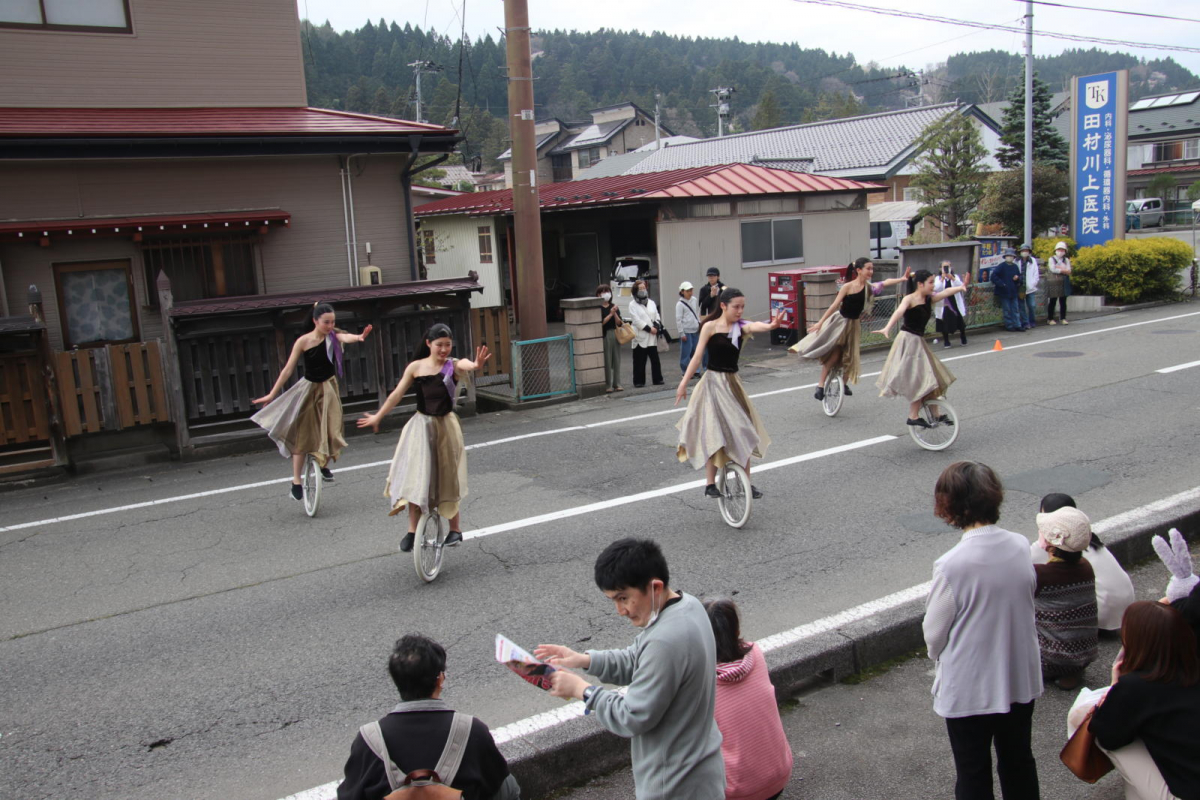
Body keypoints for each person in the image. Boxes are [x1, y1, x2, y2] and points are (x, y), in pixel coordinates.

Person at [535, 538, 725, 800]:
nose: (620, 611)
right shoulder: (688, 605)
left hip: (672, 783)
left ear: (654, 587)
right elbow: (638, 659)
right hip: (702, 770)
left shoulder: (665, 640)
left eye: (623, 598)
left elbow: (631, 717)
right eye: (613, 600)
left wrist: (583, 691)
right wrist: (583, 659)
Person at [923, 461, 1043, 800]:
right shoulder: (1020, 545)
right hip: (1019, 674)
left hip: (970, 685)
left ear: (948, 504)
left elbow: (934, 634)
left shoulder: (952, 565)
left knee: (973, 771)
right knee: (1019, 760)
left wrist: (938, 656)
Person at [337, 633, 520, 800]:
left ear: (396, 681)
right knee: (508, 784)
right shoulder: (472, 730)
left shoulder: (369, 739)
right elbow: (500, 788)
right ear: (440, 679)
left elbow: (349, 795)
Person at [357, 324, 490, 553]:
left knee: (447, 477)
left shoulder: (453, 366)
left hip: (446, 426)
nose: (444, 349)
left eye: (448, 345)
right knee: (417, 477)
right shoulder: (416, 367)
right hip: (420, 426)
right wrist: (378, 416)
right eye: (439, 345)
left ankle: (455, 529)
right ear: (428, 344)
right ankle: (411, 531)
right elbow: (396, 394)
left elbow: (465, 363)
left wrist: (476, 365)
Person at [252, 302, 373, 501]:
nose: (330, 325)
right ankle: (296, 482)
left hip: (328, 388)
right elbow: (288, 370)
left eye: (333, 322)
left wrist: (359, 337)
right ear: (315, 321)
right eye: (326, 322)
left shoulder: (333, 336)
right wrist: (272, 394)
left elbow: (345, 336)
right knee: (302, 435)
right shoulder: (304, 341)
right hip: (308, 389)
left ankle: (323, 465)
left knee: (331, 428)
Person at [675, 287, 782, 500]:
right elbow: (697, 358)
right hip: (712, 383)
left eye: (743, 306)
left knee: (745, 432)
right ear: (723, 306)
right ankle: (709, 483)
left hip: (732, 384)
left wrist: (770, 325)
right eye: (736, 307)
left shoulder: (740, 327)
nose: (740, 311)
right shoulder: (710, 327)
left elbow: (755, 325)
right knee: (713, 431)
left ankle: (747, 485)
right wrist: (683, 383)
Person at [1087, 601, 1200, 800]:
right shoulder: (1192, 667)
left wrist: (1115, 687)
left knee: (1095, 722)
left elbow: (1107, 737)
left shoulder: (1136, 686)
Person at [704, 597, 792, 800]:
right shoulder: (756, 654)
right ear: (735, 631)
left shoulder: (701, 683)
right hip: (780, 775)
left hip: (737, 793)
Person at [794, 257, 910, 400]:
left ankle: (843, 384)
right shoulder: (847, 287)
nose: (871, 271)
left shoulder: (869, 287)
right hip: (840, 322)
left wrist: (902, 279)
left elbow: (885, 282)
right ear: (858, 270)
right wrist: (820, 323)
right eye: (868, 268)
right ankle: (820, 385)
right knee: (835, 354)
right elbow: (834, 305)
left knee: (851, 356)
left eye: (872, 268)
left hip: (854, 324)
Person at [874, 270, 969, 429]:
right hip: (908, 340)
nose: (933, 285)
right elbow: (899, 312)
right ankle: (913, 416)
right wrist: (887, 327)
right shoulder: (909, 299)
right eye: (931, 282)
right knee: (921, 380)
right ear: (920, 284)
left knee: (932, 379)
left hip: (918, 342)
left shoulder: (928, 299)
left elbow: (945, 292)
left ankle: (936, 414)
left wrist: (960, 287)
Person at [1030, 493, 1134, 637]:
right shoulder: (1086, 539)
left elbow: (1022, 568)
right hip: (1126, 611)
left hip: (1100, 616)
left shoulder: (1054, 544)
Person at [1032, 505, 1098, 690]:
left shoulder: (1040, 574)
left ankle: (1057, 669)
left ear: (1051, 544)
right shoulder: (1086, 566)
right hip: (1085, 654)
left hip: (1047, 659)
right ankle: (1071, 672)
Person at [627, 278, 665, 388]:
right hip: (641, 335)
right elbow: (636, 320)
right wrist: (649, 329)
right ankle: (639, 381)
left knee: (655, 360)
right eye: (640, 288)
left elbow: (657, 315)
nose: (643, 290)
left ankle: (658, 379)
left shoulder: (652, 302)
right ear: (635, 290)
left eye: (644, 288)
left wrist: (656, 326)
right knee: (639, 360)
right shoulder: (632, 304)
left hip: (652, 336)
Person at [934, 261, 969, 348]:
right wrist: (942, 278)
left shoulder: (955, 276)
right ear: (940, 268)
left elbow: (961, 286)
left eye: (948, 266)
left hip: (954, 302)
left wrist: (952, 278)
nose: (946, 268)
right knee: (944, 322)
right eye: (944, 267)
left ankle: (963, 337)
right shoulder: (937, 278)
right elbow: (936, 288)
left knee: (959, 320)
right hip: (944, 304)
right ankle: (946, 340)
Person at [598, 284, 624, 393]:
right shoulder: (598, 308)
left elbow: (619, 323)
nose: (606, 294)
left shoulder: (613, 306)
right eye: (603, 292)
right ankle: (607, 384)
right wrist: (610, 314)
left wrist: (614, 313)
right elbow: (601, 323)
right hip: (605, 335)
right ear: (598, 294)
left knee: (616, 359)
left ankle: (617, 383)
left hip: (614, 333)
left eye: (607, 291)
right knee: (607, 360)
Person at [991, 248, 1024, 332]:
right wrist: (1001, 284)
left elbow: (1020, 277)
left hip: (1013, 291)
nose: (1009, 257)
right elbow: (993, 276)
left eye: (1011, 256)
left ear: (1013, 257)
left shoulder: (1015, 266)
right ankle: (1009, 325)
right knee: (1007, 310)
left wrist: (1017, 278)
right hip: (1004, 292)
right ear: (1005, 257)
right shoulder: (1001, 266)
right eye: (1008, 256)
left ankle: (1017, 325)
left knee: (1015, 309)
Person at [676, 281, 702, 378]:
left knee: (695, 351)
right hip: (686, 331)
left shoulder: (694, 300)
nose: (690, 292)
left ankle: (696, 370)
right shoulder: (680, 304)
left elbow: (696, 312)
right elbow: (678, 319)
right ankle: (685, 371)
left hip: (694, 329)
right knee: (686, 353)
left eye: (691, 290)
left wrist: (698, 323)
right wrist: (681, 333)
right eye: (687, 291)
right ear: (682, 292)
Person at [1045, 242, 1072, 325]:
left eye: (1062, 250)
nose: (1061, 251)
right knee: (1053, 300)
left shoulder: (1066, 260)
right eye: (1059, 249)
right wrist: (1063, 270)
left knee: (1063, 301)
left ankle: (1063, 318)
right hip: (1054, 282)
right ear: (1056, 250)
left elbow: (1069, 270)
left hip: (1064, 281)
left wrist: (1059, 268)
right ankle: (1050, 318)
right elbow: (1053, 269)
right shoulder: (1051, 259)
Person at [1016, 243, 1040, 331]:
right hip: (1021, 287)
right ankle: (1025, 323)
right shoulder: (1017, 261)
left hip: (1030, 288)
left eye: (1026, 251)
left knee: (1032, 305)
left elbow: (1036, 274)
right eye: (1023, 251)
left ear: (1029, 252)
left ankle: (1032, 321)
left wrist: (1033, 284)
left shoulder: (1032, 261)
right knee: (1021, 306)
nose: (1024, 252)